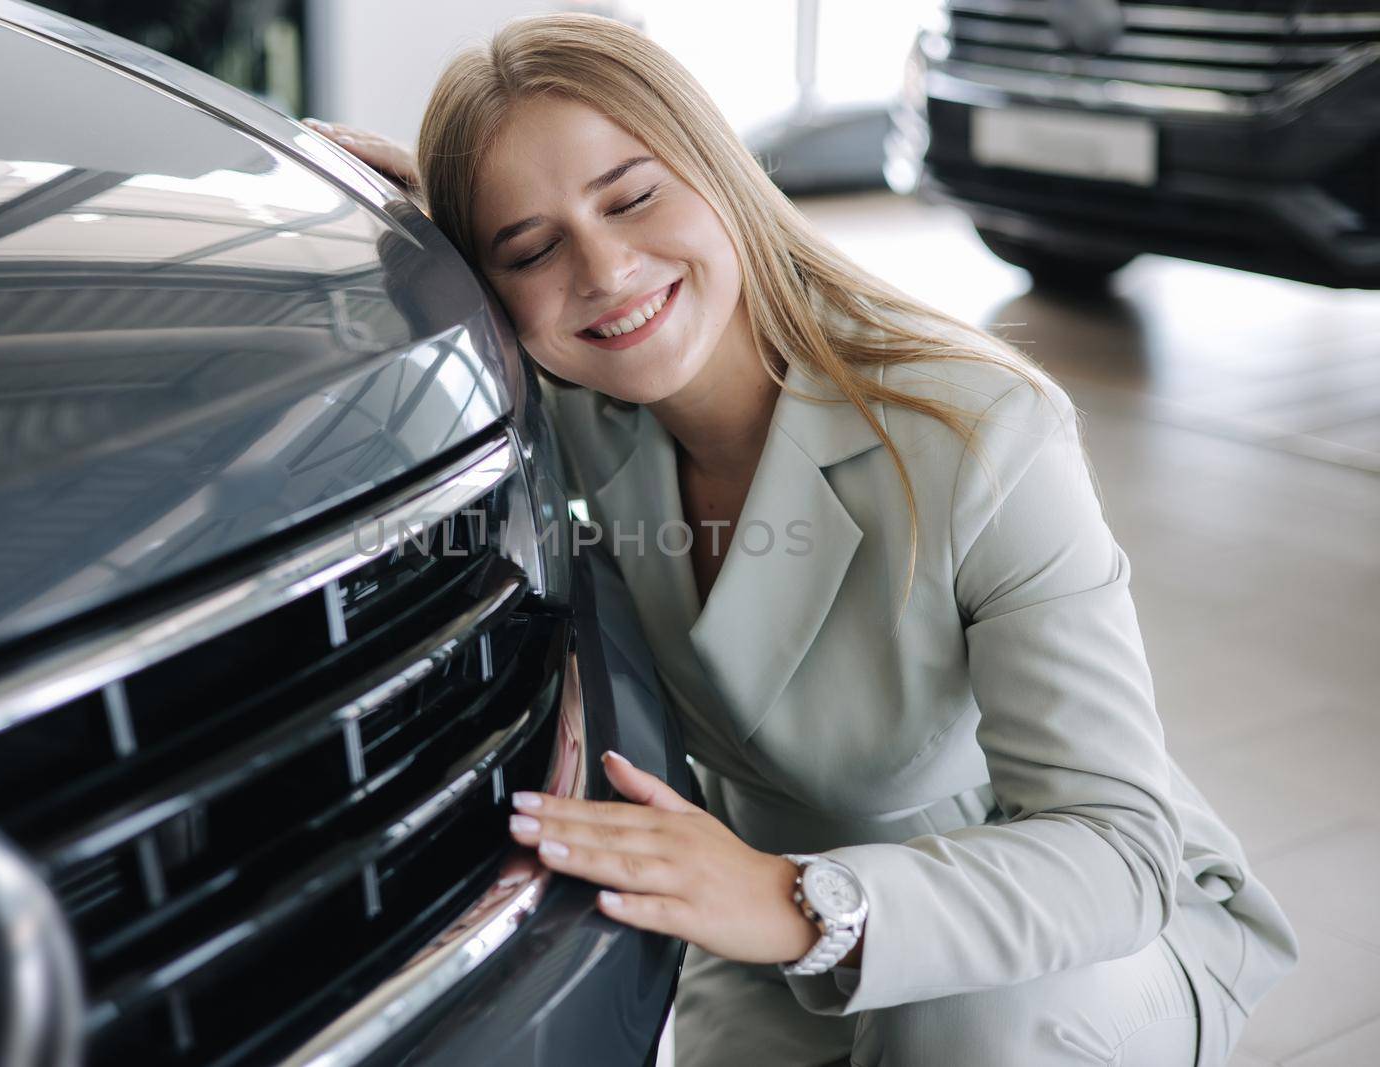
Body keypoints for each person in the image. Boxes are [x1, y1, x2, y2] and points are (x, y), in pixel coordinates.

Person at [304, 13, 1297, 1066]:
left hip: (1054, 930)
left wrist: (792, 897)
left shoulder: (981, 432)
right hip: (767, 942)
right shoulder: (596, 410)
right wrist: (406, 220)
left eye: (632, 196)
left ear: (718, 168)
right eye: (534, 246)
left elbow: (1119, 855)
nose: (603, 268)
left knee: (971, 1020)